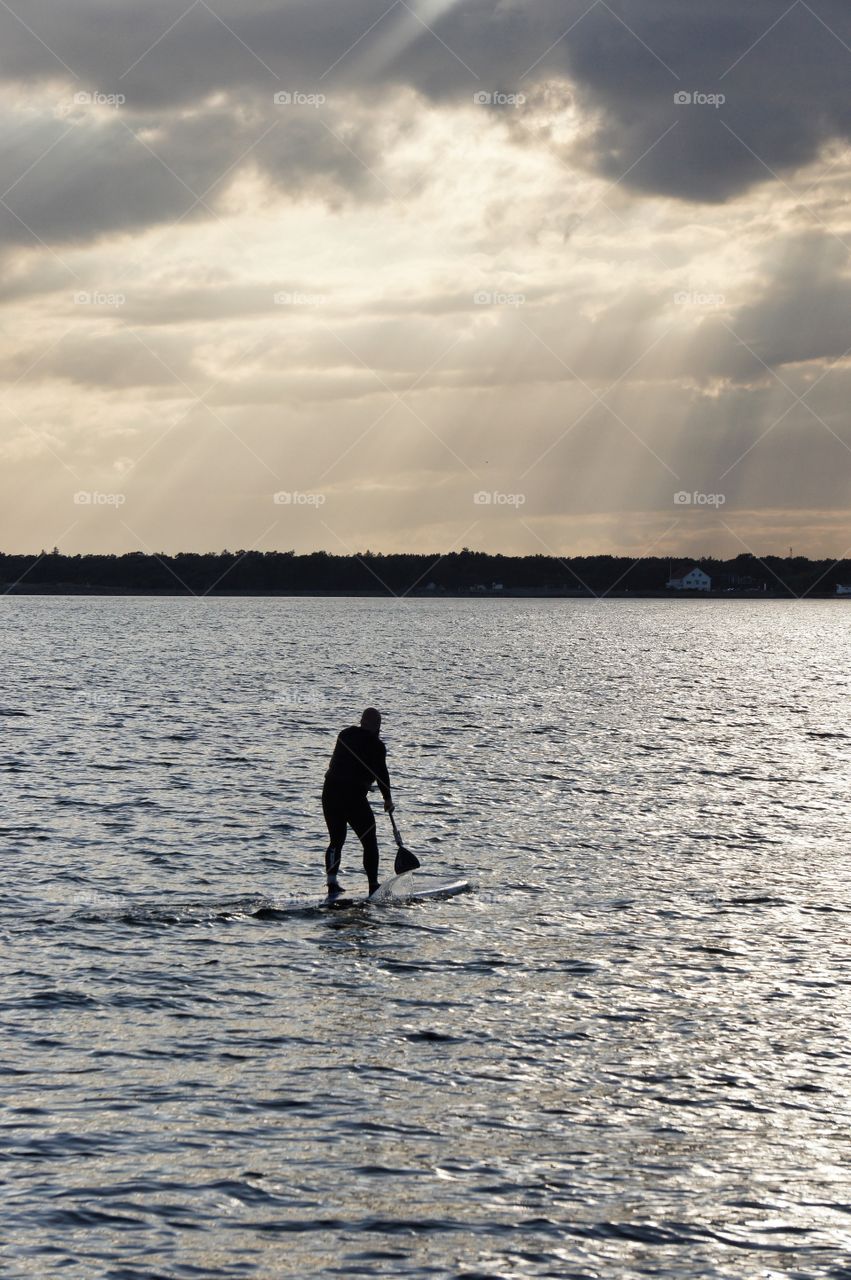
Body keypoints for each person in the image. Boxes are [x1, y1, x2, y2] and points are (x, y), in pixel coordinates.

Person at [322, 707, 394, 897]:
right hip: (353, 798)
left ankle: (331, 884)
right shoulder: (377, 746)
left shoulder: (344, 734)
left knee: (336, 840)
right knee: (369, 842)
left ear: (362, 722)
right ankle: (372, 885)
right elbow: (382, 774)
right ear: (377, 727)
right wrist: (387, 799)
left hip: (330, 794)